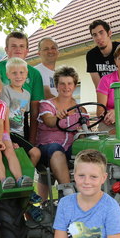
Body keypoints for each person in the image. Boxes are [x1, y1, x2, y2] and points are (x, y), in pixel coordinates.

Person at [37, 66, 87, 198]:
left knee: (87, 150)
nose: (66, 87)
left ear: (75, 85)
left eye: (70, 83)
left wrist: (82, 133)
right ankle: (68, 192)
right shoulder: (47, 104)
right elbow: (49, 121)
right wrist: (58, 117)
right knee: (56, 148)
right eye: (62, 84)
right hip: (48, 148)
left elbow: (84, 133)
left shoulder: (81, 110)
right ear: (56, 86)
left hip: (70, 148)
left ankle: (90, 193)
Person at [0, 32, 44, 145]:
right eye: (13, 46)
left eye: (22, 46)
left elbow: (34, 111)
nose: (18, 49)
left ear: (27, 50)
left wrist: (32, 140)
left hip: (20, 127)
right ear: (6, 49)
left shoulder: (34, 74)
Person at [0, 57, 41, 167]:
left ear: (26, 74)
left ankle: (24, 179)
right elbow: (3, 116)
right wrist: (7, 139)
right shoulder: (5, 90)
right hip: (9, 132)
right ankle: (27, 179)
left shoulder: (27, 94)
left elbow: (23, 115)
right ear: (8, 75)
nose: (18, 76)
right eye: (14, 73)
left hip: (21, 132)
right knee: (35, 153)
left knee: (23, 160)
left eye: (21, 72)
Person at [86, 20, 120, 88]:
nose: (98, 37)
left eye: (101, 33)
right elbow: (99, 87)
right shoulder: (91, 55)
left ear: (109, 33)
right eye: (95, 35)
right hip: (105, 96)